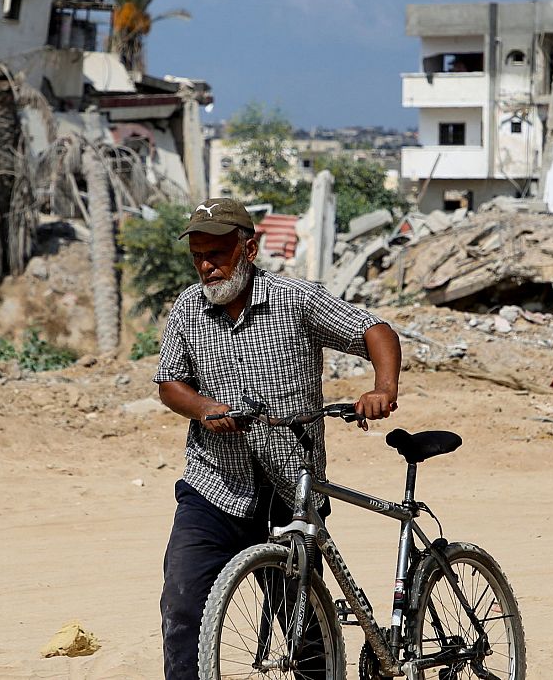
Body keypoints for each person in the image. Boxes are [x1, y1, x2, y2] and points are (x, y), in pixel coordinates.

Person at [154, 197, 401, 680]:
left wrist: (383, 388)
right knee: (182, 604)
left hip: (293, 491)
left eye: (217, 254)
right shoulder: (187, 309)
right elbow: (169, 382)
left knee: (304, 627)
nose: (206, 267)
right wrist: (204, 408)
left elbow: (375, 329)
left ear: (249, 249)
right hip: (215, 487)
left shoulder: (295, 299)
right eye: (198, 256)